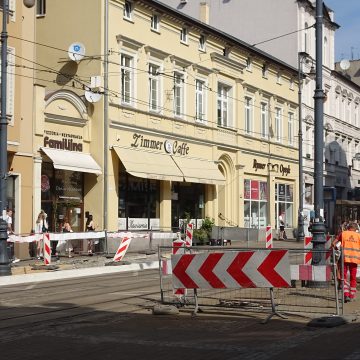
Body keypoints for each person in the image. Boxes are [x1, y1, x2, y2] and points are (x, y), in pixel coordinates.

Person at [335, 222, 360, 303]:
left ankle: (345, 294)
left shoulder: (343, 233)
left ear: (348, 228)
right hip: (355, 260)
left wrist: (332, 249)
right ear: (355, 229)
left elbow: (334, 243)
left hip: (344, 259)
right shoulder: (358, 236)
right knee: (353, 278)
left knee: (344, 277)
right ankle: (352, 295)